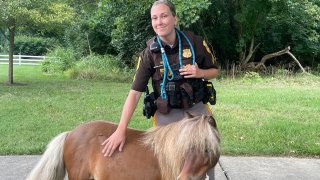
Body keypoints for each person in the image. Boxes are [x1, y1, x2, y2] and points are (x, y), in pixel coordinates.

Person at [101, 0, 219, 179]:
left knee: (204, 152)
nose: (159, 22)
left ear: (174, 18)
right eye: (154, 18)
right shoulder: (148, 54)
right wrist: (121, 129)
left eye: (164, 16)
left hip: (196, 111)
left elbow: (215, 71)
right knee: (170, 167)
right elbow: (134, 94)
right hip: (167, 113)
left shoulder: (195, 43)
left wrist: (200, 72)